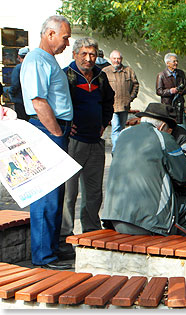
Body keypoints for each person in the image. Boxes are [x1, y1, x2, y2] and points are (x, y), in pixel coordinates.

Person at [20, 15, 73, 270]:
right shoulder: (36, 59)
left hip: (55, 128)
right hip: (47, 130)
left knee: (56, 193)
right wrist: (56, 132)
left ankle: (51, 247)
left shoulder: (47, 59)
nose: (68, 43)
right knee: (45, 194)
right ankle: (43, 257)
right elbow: (38, 101)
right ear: (50, 34)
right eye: (65, 37)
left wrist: (64, 125)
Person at [101, 102, 186, 235]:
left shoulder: (123, 134)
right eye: (170, 130)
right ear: (163, 126)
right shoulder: (163, 138)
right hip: (148, 225)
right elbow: (184, 175)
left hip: (114, 219)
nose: (170, 133)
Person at [59, 37, 114, 259]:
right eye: (84, 54)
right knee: (69, 194)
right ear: (75, 54)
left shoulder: (101, 76)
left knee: (93, 193)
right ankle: (64, 238)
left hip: (95, 142)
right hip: (74, 143)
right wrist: (65, 125)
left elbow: (109, 101)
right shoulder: (66, 75)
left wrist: (104, 123)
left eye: (92, 54)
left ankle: (91, 233)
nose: (89, 58)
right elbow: (58, 103)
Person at [102, 50, 139, 152]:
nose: (116, 61)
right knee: (116, 128)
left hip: (124, 105)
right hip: (112, 106)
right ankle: (117, 151)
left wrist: (130, 97)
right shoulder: (105, 71)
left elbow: (135, 84)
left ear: (121, 59)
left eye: (118, 58)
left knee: (121, 128)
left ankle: (120, 149)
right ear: (111, 59)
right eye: (114, 58)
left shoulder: (128, 70)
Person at [156, 53, 186, 129]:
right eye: (174, 61)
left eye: (177, 61)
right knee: (168, 129)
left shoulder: (181, 73)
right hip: (167, 107)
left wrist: (181, 91)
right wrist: (170, 91)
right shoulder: (161, 75)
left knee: (183, 129)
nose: (176, 63)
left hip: (179, 106)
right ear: (167, 63)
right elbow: (159, 91)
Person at [7, 47, 29, 120]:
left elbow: (15, 85)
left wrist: (11, 94)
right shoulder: (33, 66)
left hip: (20, 100)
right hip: (31, 101)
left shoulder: (18, 68)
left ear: (19, 57)